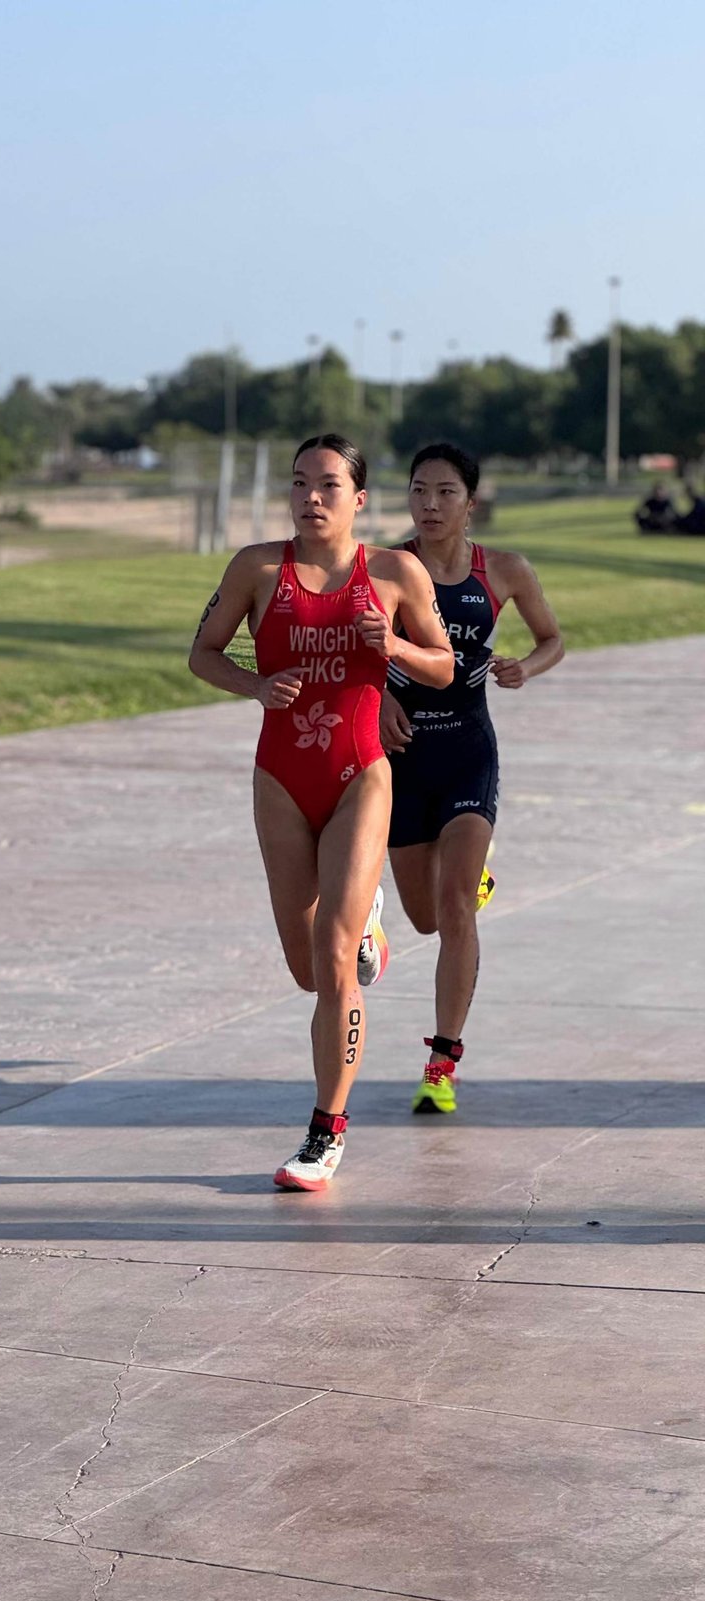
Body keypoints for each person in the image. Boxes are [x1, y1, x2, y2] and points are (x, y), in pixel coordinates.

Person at [190, 434, 453, 1188]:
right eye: (300, 482)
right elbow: (202, 652)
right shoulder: (255, 567)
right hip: (281, 776)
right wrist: (255, 686)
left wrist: (394, 645)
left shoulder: (395, 572)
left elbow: (444, 668)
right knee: (306, 969)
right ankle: (366, 920)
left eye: (329, 485)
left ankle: (324, 1132)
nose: (310, 496)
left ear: (359, 500)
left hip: (359, 771)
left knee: (336, 962)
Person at [380, 442, 564, 1114]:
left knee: (455, 907)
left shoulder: (505, 570)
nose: (429, 505)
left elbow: (553, 638)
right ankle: (469, 879)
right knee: (425, 918)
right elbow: (351, 649)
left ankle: (441, 1063)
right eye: (419, 491)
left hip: (467, 750)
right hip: (401, 756)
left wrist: (525, 667)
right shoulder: (382, 568)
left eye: (446, 492)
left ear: (471, 502)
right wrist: (377, 698)